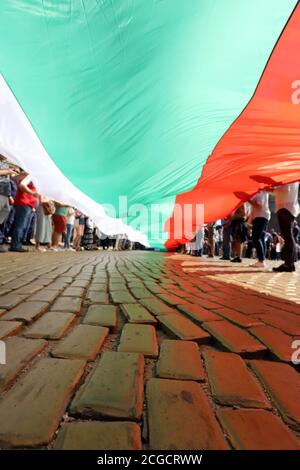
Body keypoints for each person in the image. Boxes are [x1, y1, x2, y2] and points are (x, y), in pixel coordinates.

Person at [272, 182, 299, 272]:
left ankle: (288, 264)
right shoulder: (291, 176)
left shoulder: (288, 176)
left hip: (285, 207)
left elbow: (285, 192)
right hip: (287, 207)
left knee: (288, 236)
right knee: (288, 236)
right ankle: (289, 263)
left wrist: (271, 189)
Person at [10, 172, 39, 252]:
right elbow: (21, 185)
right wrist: (32, 193)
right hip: (24, 203)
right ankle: (16, 245)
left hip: (27, 204)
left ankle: (17, 244)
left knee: (22, 225)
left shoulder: (30, 176)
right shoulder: (30, 175)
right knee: (20, 225)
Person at [248, 190, 271, 267]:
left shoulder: (260, 192)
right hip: (262, 216)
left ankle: (261, 261)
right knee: (261, 238)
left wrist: (248, 199)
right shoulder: (262, 192)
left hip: (260, 216)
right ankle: (262, 260)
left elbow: (259, 206)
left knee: (256, 238)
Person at [0, 156, 17, 252]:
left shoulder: (5, 164)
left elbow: (8, 181)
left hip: (5, 194)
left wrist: (10, 195)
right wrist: (9, 171)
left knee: (3, 218)